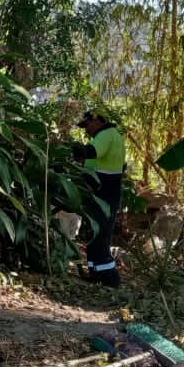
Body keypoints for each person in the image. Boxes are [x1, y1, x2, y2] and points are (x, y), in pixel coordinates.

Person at [71, 109, 125, 288]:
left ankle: (109, 278)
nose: (86, 129)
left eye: (87, 125)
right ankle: (95, 274)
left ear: (97, 121)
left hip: (104, 191)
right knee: (96, 235)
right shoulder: (112, 135)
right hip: (106, 190)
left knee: (100, 235)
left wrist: (71, 148)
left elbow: (93, 152)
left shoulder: (106, 135)